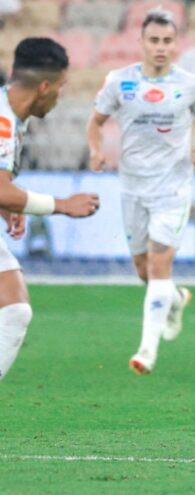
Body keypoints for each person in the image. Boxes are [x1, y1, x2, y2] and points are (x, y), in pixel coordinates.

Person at [86, 10, 195, 375]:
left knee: (159, 268)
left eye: (167, 41)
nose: (161, 47)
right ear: (142, 42)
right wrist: (96, 151)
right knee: (144, 270)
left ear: (176, 44)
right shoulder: (119, 81)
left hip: (173, 189)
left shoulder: (191, 84)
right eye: (154, 40)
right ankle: (175, 298)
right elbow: (95, 123)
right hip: (132, 187)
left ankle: (146, 351)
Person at [0, 37, 99, 381]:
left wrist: (7, 203)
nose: (60, 95)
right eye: (60, 86)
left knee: (14, 311)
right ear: (44, 87)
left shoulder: (12, 114)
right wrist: (61, 205)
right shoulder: (5, 121)